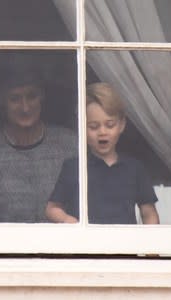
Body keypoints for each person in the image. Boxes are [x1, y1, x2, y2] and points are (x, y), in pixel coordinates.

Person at [0, 67, 77, 223]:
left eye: (32, 96)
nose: (25, 108)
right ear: (2, 101)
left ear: (42, 97)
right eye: (15, 99)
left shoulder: (70, 145)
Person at [45, 82, 160, 224]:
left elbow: (149, 213)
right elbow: (52, 208)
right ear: (82, 127)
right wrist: (69, 221)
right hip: (85, 244)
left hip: (125, 244)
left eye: (110, 125)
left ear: (122, 125)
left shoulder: (135, 169)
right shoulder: (74, 168)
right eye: (93, 127)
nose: (102, 132)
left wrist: (148, 244)